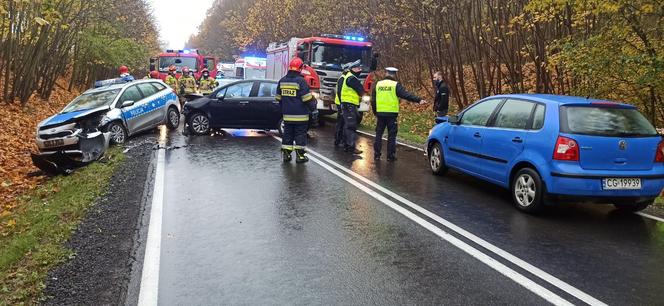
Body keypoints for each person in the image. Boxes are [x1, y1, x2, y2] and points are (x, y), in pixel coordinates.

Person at [372, 67, 427, 161]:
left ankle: (377, 154)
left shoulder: (378, 84)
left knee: (378, 134)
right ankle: (390, 156)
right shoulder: (395, 85)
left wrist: (375, 112)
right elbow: (405, 95)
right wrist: (418, 100)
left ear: (386, 73)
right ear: (394, 74)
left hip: (380, 114)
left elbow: (373, 100)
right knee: (392, 136)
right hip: (391, 115)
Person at [277, 57, 317, 163]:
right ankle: (300, 157)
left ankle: (286, 155)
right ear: (300, 68)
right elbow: (307, 98)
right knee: (300, 135)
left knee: (287, 135)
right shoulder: (301, 81)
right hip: (301, 116)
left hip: (287, 115)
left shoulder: (282, 81)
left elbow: (278, 99)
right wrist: (314, 106)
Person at [339, 60, 365, 154]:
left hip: (348, 104)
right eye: (358, 68)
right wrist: (364, 94)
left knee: (348, 125)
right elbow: (360, 89)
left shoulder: (350, 77)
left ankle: (347, 145)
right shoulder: (351, 78)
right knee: (351, 126)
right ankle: (350, 146)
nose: (360, 70)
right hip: (349, 105)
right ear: (353, 68)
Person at [333, 69, 348, 146]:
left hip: (340, 102)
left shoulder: (342, 78)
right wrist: (342, 103)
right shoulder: (343, 78)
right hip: (340, 103)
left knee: (341, 122)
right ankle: (338, 139)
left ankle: (338, 140)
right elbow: (339, 92)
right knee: (341, 122)